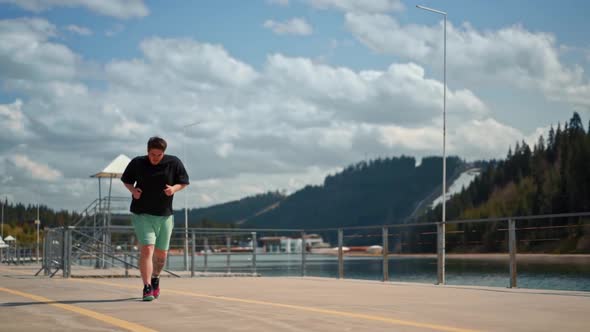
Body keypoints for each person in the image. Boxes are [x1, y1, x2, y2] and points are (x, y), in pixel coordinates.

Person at [121, 136, 189, 301]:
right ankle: (146, 287)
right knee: (147, 249)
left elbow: (184, 182)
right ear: (147, 151)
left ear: (163, 153)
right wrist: (133, 190)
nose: (155, 158)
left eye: (158, 155)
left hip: (165, 215)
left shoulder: (174, 162)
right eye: (152, 154)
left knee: (161, 254)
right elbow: (126, 180)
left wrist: (174, 189)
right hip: (142, 214)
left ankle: (155, 278)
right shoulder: (137, 163)